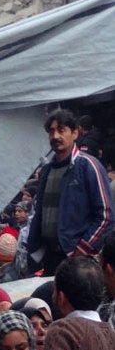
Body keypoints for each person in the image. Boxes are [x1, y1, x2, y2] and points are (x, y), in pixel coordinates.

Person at [26, 109, 113, 274]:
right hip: (49, 256)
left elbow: (106, 216)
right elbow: (39, 213)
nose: (55, 136)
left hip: (77, 259)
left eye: (61, 130)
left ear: (75, 133)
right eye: (51, 131)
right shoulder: (46, 171)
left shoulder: (88, 166)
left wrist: (80, 251)